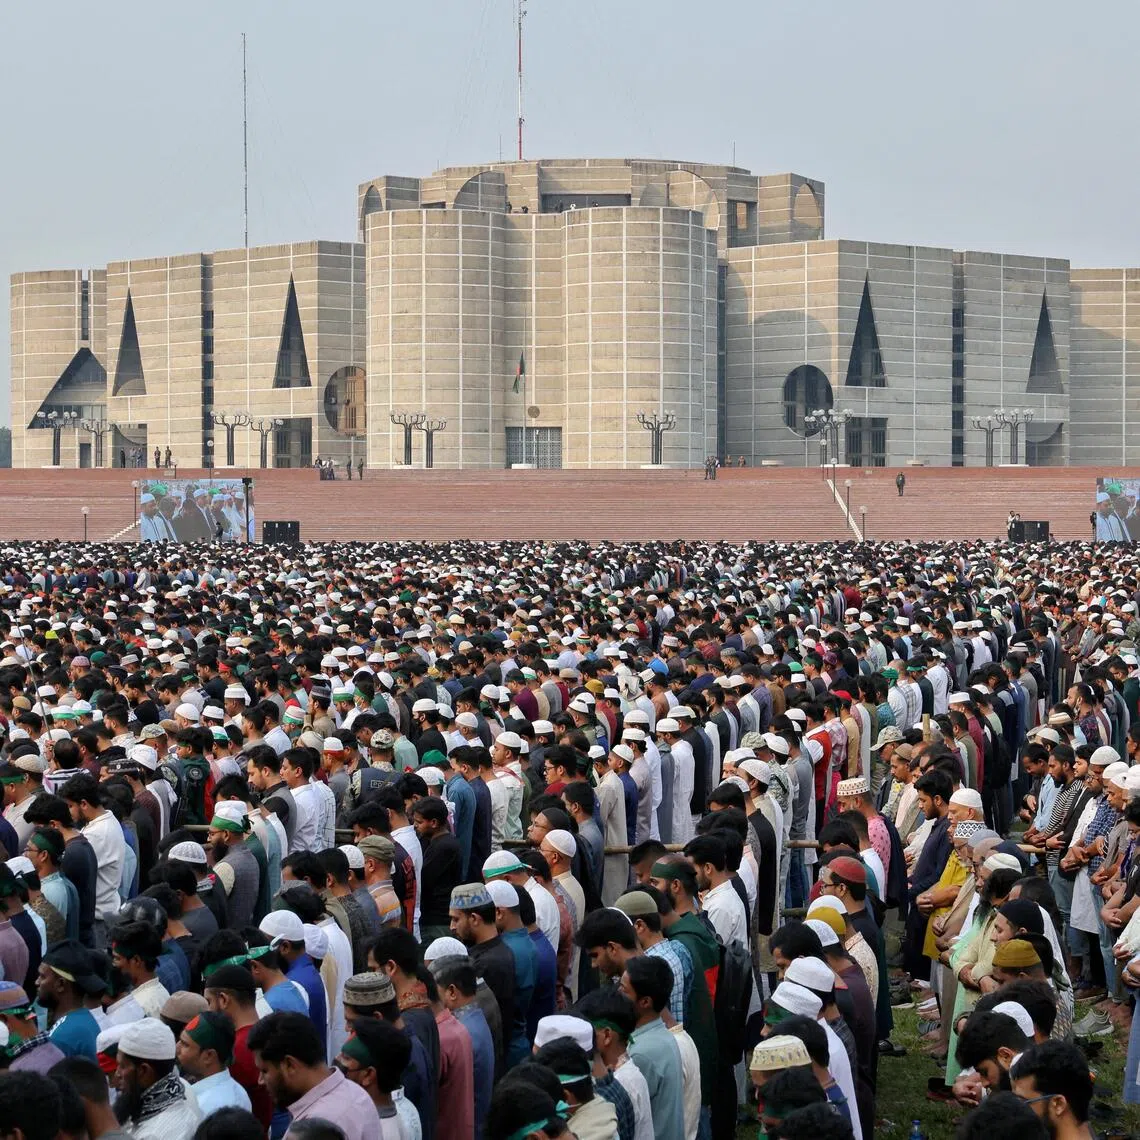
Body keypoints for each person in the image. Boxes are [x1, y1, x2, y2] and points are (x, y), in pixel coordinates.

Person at [246, 1012, 381, 1140]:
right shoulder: (352, 1092)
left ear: (289, 1065)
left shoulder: (320, 1128)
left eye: (264, 1071)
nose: (260, 1081)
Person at [114, 1019, 201, 1140]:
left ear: (144, 1070)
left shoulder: (157, 1134)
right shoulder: (182, 1087)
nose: (117, 1073)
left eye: (122, 1066)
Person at [175, 1011, 252, 1117]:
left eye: (185, 1044)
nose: (177, 1048)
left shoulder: (207, 1108)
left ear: (209, 1056)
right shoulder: (238, 1091)